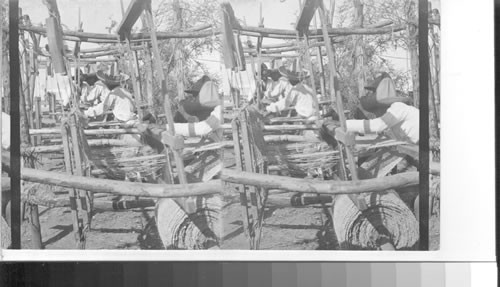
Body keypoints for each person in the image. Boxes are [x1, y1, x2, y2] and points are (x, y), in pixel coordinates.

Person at [321, 72, 418, 145]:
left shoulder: (398, 108)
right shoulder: (393, 110)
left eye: (373, 92)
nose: (369, 95)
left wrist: (342, 124)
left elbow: (378, 125)